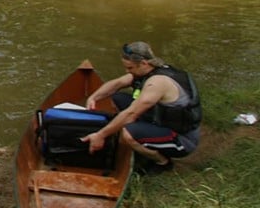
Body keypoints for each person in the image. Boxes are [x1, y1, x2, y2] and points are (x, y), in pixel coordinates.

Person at [81, 41, 202, 174]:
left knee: (127, 133)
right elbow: (117, 83)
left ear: (144, 63)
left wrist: (100, 135)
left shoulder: (157, 83)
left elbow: (131, 114)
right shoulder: (149, 70)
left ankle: (163, 162)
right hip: (161, 120)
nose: (127, 71)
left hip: (182, 139)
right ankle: (139, 137)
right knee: (117, 98)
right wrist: (93, 97)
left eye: (130, 68)